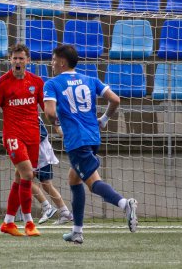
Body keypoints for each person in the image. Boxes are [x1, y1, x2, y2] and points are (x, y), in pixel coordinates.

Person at [43, 45, 138, 244]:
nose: (51, 64)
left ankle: (125, 204)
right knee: (74, 180)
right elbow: (115, 100)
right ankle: (77, 231)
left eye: (53, 60)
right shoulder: (90, 79)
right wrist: (103, 120)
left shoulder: (52, 84)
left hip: (77, 141)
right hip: (93, 137)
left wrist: (57, 126)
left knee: (93, 183)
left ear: (62, 62)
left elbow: (50, 113)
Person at [0, 43, 43, 237]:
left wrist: (61, 127)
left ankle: (8, 222)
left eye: (22, 58)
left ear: (28, 61)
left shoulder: (37, 82)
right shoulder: (1, 84)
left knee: (20, 177)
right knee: (28, 175)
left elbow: (48, 109)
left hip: (33, 136)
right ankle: (29, 222)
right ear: (10, 60)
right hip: (13, 136)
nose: (18, 61)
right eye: (15, 58)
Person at [32, 117, 73, 225]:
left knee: (26, 181)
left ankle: (47, 207)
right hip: (39, 154)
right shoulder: (25, 115)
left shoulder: (32, 116)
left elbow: (42, 134)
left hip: (40, 154)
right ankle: (65, 212)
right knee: (46, 185)